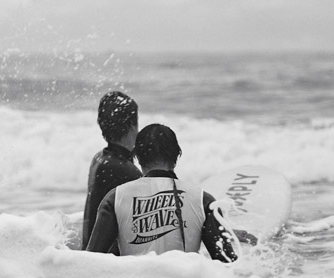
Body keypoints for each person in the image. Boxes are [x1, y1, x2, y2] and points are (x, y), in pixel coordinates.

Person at [85, 123, 237, 263]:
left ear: (137, 157)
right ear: (176, 157)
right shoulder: (203, 201)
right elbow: (228, 266)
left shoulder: (115, 199)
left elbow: (90, 263)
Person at [81, 90, 141, 250]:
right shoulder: (125, 171)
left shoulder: (100, 159)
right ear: (132, 126)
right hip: (108, 265)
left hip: (89, 255)